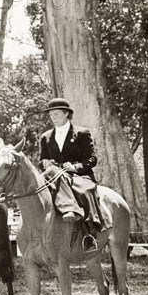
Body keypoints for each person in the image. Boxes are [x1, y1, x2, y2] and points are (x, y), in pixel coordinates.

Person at [38, 98, 101, 253]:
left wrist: (75, 166)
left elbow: (92, 159)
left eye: (56, 114)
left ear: (66, 114)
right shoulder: (45, 137)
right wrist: (45, 163)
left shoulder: (82, 133)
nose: (53, 117)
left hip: (79, 175)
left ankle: (89, 234)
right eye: (51, 115)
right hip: (53, 176)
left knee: (86, 192)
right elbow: (41, 161)